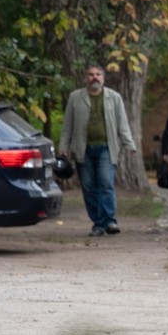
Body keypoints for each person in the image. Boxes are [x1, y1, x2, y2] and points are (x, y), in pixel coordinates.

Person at [59, 64, 136, 237]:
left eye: (98, 74)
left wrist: (129, 144)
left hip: (106, 148)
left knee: (106, 183)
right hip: (83, 149)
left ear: (103, 77)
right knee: (88, 187)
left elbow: (122, 123)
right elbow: (67, 126)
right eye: (91, 74)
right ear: (85, 78)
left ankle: (110, 221)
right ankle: (98, 223)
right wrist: (63, 147)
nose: (94, 77)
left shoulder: (114, 98)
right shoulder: (75, 98)